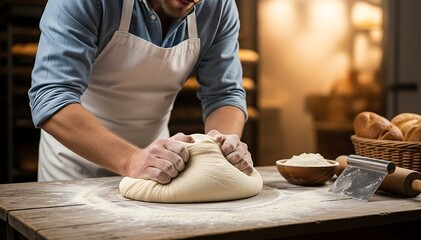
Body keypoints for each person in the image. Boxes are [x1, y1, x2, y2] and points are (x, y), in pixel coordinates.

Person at [29, 0, 254, 183]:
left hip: (157, 171)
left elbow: (224, 94)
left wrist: (221, 145)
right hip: (73, 170)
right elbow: (51, 96)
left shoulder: (218, 7)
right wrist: (131, 159)